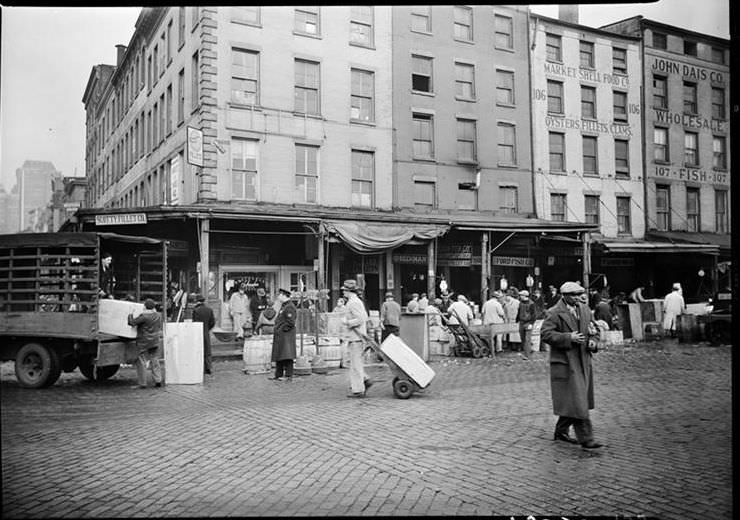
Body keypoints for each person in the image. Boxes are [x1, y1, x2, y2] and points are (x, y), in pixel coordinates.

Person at [540, 281, 602, 450]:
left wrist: (593, 342)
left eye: (579, 294)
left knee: (574, 400)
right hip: (566, 363)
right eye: (573, 295)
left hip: (583, 361)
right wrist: (568, 337)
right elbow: (546, 334)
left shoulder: (585, 310)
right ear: (564, 296)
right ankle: (587, 439)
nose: (577, 298)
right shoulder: (553, 313)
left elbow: (595, 330)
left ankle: (561, 431)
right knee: (578, 401)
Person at [340, 280, 373, 398]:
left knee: (355, 364)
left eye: (344, 290)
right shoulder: (354, 301)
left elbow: (361, 318)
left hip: (356, 338)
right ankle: (364, 380)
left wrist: (347, 322)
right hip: (355, 337)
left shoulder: (353, 303)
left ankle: (359, 389)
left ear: (349, 291)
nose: (343, 292)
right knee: (354, 363)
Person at [127, 298, 163, 389]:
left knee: (141, 361)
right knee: (155, 360)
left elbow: (131, 323)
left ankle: (142, 383)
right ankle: (158, 380)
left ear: (145, 306)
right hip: (154, 341)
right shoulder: (158, 315)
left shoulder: (143, 316)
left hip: (144, 341)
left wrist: (130, 313)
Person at [270, 288, 297, 381]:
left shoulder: (289, 307)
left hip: (286, 336)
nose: (278, 296)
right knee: (280, 355)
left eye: (279, 295)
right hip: (281, 335)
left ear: (284, 296)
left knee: (287, 355)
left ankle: (289, 375)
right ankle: (278, 374)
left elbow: (291, 322)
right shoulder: (284, 306)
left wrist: (282, 329)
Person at [191, 294, 216, 375]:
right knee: (207, 350)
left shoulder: (196, 310)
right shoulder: (209, 309)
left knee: (198, 349)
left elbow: (194, 322)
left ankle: (199, 367)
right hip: (206, 332)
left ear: (197, 301)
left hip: (198, 332)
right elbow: (212, 322)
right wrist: (207, 328)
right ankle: (208, 367)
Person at [516, 290, 537, 360]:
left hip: (528, 322)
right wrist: (517, 320)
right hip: (521, 322)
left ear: (525, 296)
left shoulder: (532, 304)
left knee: (527, 339)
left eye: (521, 295)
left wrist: (531, 323)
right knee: (523, 339)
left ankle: (527, 356)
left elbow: (534, 315)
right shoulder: (520, 303)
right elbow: (519, 312)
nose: (520, 296)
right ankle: (529, 350)